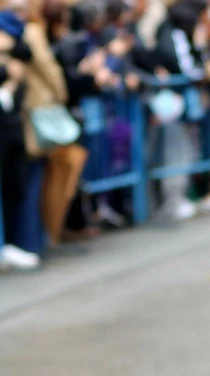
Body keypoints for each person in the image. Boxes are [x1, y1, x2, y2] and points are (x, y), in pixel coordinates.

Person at [17, 0, 89, 249]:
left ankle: (40, 236)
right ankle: (34, 239)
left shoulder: (25, 33)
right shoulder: (32, 33)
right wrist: (62, 94)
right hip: (38, 113)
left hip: (33, 112)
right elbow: (50, 71)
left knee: (41, 176)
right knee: (37, 178)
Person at [0, 1, 41, 270]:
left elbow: (27, 53)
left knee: (15, 185)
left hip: (11, 123)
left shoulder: (18, 39)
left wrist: (10, 48)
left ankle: (12, 244)